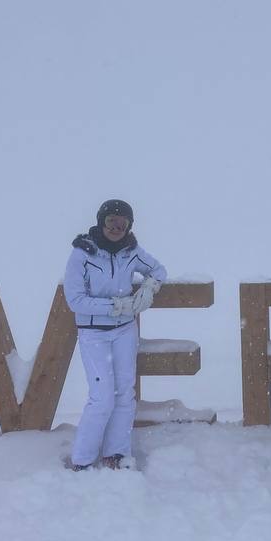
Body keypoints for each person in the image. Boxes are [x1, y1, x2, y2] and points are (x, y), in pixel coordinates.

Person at [62, 199, 167, 470]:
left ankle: (116, 454)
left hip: (124, 332)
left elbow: (158, 270)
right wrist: (115, 306)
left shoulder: (130, 251)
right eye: (112, 222)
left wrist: (148, 288)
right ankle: (82, 459)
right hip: (93, 334)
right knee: (102, 396)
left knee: (124, 394)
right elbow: (75, 300)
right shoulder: (83, 253)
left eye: (123, 223)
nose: (117, 228)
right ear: (101, 221)